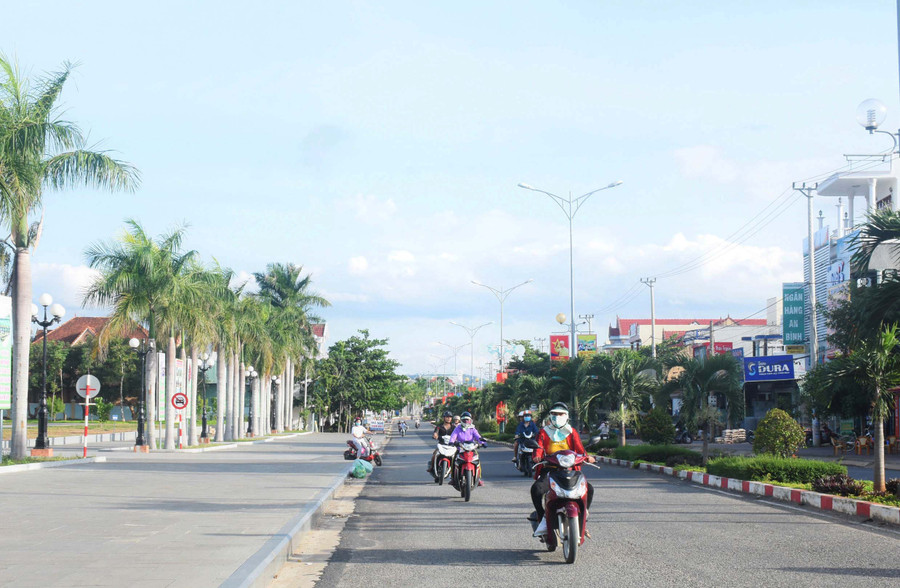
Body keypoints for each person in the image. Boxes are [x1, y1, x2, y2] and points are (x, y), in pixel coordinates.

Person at [531, 402, 595, 538]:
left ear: (566, 416)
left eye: (560, 414)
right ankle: (542, 518)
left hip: (570, 469)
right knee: (536, 489)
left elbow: (580, 449)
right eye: (554, 414)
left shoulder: (571, 432)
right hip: (549, 469)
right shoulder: (544, 432)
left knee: (588, 488)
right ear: (550, 416)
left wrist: (587, 457)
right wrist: (537, 456)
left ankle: (584, 515)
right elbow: (539, 447)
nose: (557, 416)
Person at [449, 412, 486, 486]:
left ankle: (478, 478)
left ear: (470, 420)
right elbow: (453, 436)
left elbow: (478, 437)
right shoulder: (458, 428)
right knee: (454, 459)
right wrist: (452, 442)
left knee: (477, 460)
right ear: (461, 420)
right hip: (461, 448)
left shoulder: (472, 428)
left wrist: (483, 443)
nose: (466, 422)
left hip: (471, 448)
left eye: (467, 420)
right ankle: (453, 478)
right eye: (464, 420)